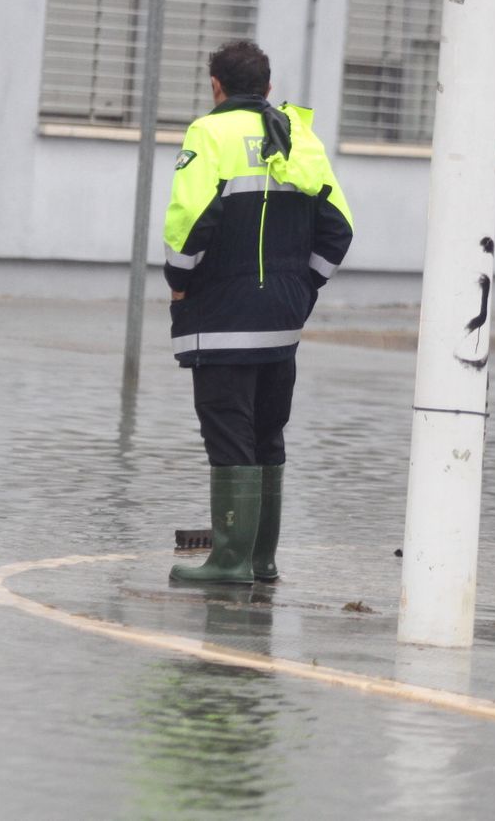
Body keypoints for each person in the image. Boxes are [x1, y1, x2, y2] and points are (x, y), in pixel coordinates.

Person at [162, 40, 353, 585]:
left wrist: (179, 283)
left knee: (229, 437)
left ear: (216, 86)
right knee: (269, 435)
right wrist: (303, 288)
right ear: (268, 87)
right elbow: (339, 229)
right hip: (281, 323)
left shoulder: (209, 133)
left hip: (222, 320)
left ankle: (230, 562)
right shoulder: (298, 136)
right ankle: (262, 560)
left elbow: (190, 223)